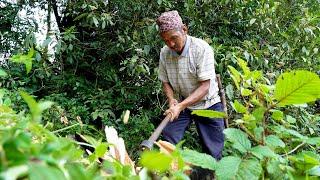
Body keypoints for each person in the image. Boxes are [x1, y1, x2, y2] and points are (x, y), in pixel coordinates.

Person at [156, 10, 224, 160]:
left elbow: (205, 87)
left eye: (174, 38)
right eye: (166, 41)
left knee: (214, 151)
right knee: (169, 137)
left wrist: (180, 106)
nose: (171, 44)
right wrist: (171, 100)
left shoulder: (201, 49)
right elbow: (165, 81)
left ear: (184, 29)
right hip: (183, 104)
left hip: (208, 104)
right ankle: (171, 172)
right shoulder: (165, 53)